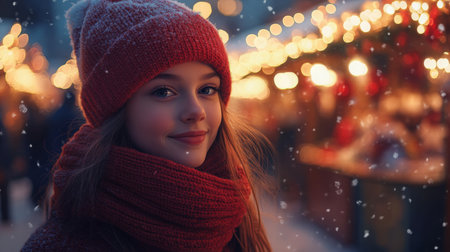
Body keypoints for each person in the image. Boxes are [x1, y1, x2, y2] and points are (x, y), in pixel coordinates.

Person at [22, 0, 276, 251]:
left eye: (207, 89)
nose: (196, 111)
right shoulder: (65, 244)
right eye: (164, 92)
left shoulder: (232, 212)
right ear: (117, 109)